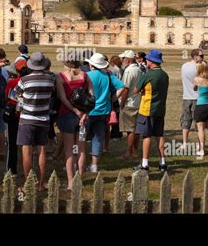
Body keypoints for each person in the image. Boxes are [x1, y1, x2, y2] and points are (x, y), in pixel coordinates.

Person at [15, 52, 55, 191]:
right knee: (42, 151)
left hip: (27, 118)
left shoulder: (25, 80)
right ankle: (41, 183)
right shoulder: (50, 79)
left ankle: (28, 184)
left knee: (27, 152)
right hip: (44, 117)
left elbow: (15, 95)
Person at [85, 53, 126, 173]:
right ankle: (94, 165)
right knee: (98, 137)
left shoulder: (87, 75)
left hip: (88, 110)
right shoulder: (108, 75)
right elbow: (122, 87)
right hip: (104, 110)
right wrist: (112, 99)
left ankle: (78, 163)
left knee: (80, 138)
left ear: (91, 65)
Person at [56, 59, 93, 189]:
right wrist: (84, 113)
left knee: (69, 151)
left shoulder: (60, 76)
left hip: (67, 115)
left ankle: (71, 181)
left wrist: (75, 110)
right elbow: (91, 98)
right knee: (81, 149)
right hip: (84, 117)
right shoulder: (85, 76)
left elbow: (62, 98)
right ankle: (80, 179)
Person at [133, 49, 169, 172]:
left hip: (147, 109)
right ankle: (162, 162)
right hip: (160, 109)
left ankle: (145, 164)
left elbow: (135, 90)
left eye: (148, 59)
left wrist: (143, 90)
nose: (146, 60)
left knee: (147, 136)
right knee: (159, 135)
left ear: (152, 61)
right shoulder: (165, 75)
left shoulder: (147, 75)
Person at [4, 60, 28, 175]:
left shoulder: (12, 82)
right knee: (27, 144)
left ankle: (11, 170)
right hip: (27, 113)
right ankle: (28, 170)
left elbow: (6, 98)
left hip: (14, 113)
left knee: (12, 144)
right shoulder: (30, 81)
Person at [118, 50, 142, 159]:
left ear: (127, 60)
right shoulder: (139, 69)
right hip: (138, 102)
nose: (122, 60)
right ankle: (135, 151)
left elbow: (126, 89)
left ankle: (128, 152)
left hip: (129, 103)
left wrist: (122, 103)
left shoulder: (128, 71)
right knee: (136, 129)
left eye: (123, 59)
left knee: (130, 130)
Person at [180, 49, 205, 150]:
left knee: (185, 121)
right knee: (199, 123)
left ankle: (185, 143)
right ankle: (200, 144)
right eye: (201, 56)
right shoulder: (200, 68)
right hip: (198, 98)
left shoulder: (184, 66)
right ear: (195, 57)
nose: (203, 58)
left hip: (186, 97)